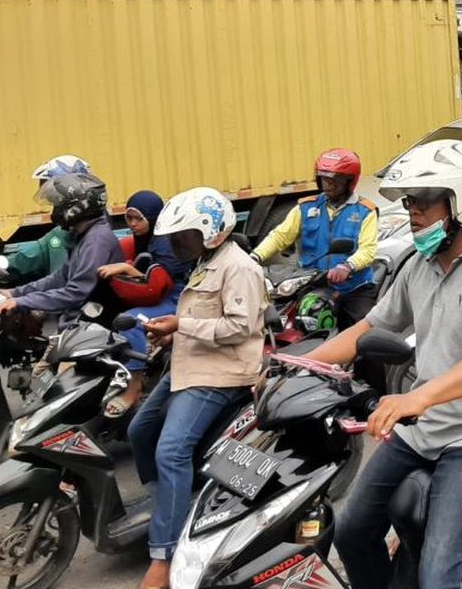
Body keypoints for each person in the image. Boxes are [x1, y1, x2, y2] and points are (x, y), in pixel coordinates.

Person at [310, 139, 462, 589]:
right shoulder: (420, 262)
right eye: (410, 202)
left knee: (440, 576)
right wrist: (296, 365)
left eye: (425, 202)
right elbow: (367, 328)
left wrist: (417, 396)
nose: (414, 213)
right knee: (350, 531)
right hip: (423, 426)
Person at [126, 187, 265, 589]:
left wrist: (179, 326)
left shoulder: (239, 267)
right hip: (189, 363)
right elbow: (201, 317)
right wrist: (169, 337)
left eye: (184, 236)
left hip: (220, 372)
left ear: (214, 231)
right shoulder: (206, 261)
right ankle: (171, 506)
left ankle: (165, 555)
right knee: (139, 431)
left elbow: (242, 327)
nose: (177, 244)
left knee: (171, 451)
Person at [252, 149, 379, 330]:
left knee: (364, 332)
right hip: (313, 283)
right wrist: (254, 257)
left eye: (334, 179)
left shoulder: (365, 211)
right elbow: (279, 236)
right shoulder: (305, 207)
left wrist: (347, 266)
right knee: (289, 325)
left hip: (353, 288)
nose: (328, 184)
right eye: (324, 178)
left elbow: (368, 250)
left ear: (349, 181)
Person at [97, 190, 191, 415]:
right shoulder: (143, 241)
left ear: (154, 217)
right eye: (129, 218)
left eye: (139, 218)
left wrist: (127, 269)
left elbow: (160, 282)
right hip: (160, 294)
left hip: (177, 297)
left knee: (130, 321)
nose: (132, 224)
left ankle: (134, 386)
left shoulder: (166, 243)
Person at [0, 173, 121, 330]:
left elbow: (75, 292)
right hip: (79, 321)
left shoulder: (96, 241)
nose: (56, 210)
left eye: (60, 204)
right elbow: (60, 277)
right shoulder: (83, 235)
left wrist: (22, 302)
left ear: (79, 206)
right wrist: (15, 293)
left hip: (93, 326)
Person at [6, 155, 94, 284]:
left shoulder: (95, 234)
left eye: (54, 191)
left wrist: (19, 298)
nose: (51, 198)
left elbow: (74, 289)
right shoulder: (60, 234)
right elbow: (29, 257)